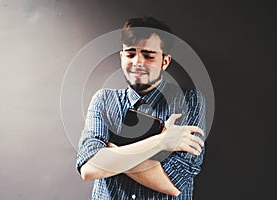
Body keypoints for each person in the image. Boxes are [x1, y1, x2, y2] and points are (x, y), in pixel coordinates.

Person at [76, 16, 206, 200]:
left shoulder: (190, 101)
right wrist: (162, 142)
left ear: (165, 61)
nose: (137, 62)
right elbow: (89, 168)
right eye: (130, 54)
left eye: (148, 55)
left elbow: (174, 182)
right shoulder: (103, 100)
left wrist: (109, 153)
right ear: (122, 57)